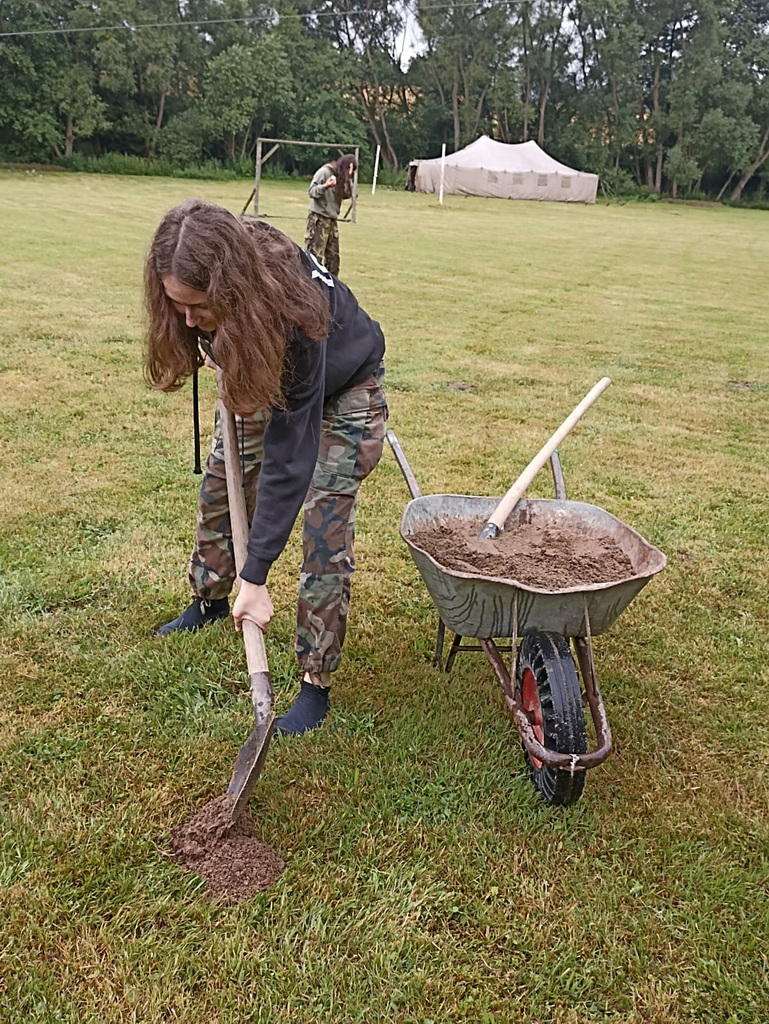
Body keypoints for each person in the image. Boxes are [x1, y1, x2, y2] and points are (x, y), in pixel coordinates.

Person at [145, 199, 387, 736]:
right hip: (261, 356)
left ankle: (315, 678)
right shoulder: (222, 272)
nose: (187, 319)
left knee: (324, 521)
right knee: (222, 480)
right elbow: (203, 329)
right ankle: (209, 597)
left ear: (232, 292)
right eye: (177, 304)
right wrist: (210, 337)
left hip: (348, 387)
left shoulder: (292, 310)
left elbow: (290, 455)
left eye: (198, 306)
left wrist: (256, 575)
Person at [305, 154, 357, 277]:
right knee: (314, 258)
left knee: (333, 260)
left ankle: (331, 285)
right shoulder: (325, 172)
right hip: (318, 219)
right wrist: (325, 186)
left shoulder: (342, 177)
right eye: (349, 169)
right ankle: (309, 284)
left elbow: (346, 195)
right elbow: (312, 192)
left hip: (332, 221)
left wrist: (348, 180)